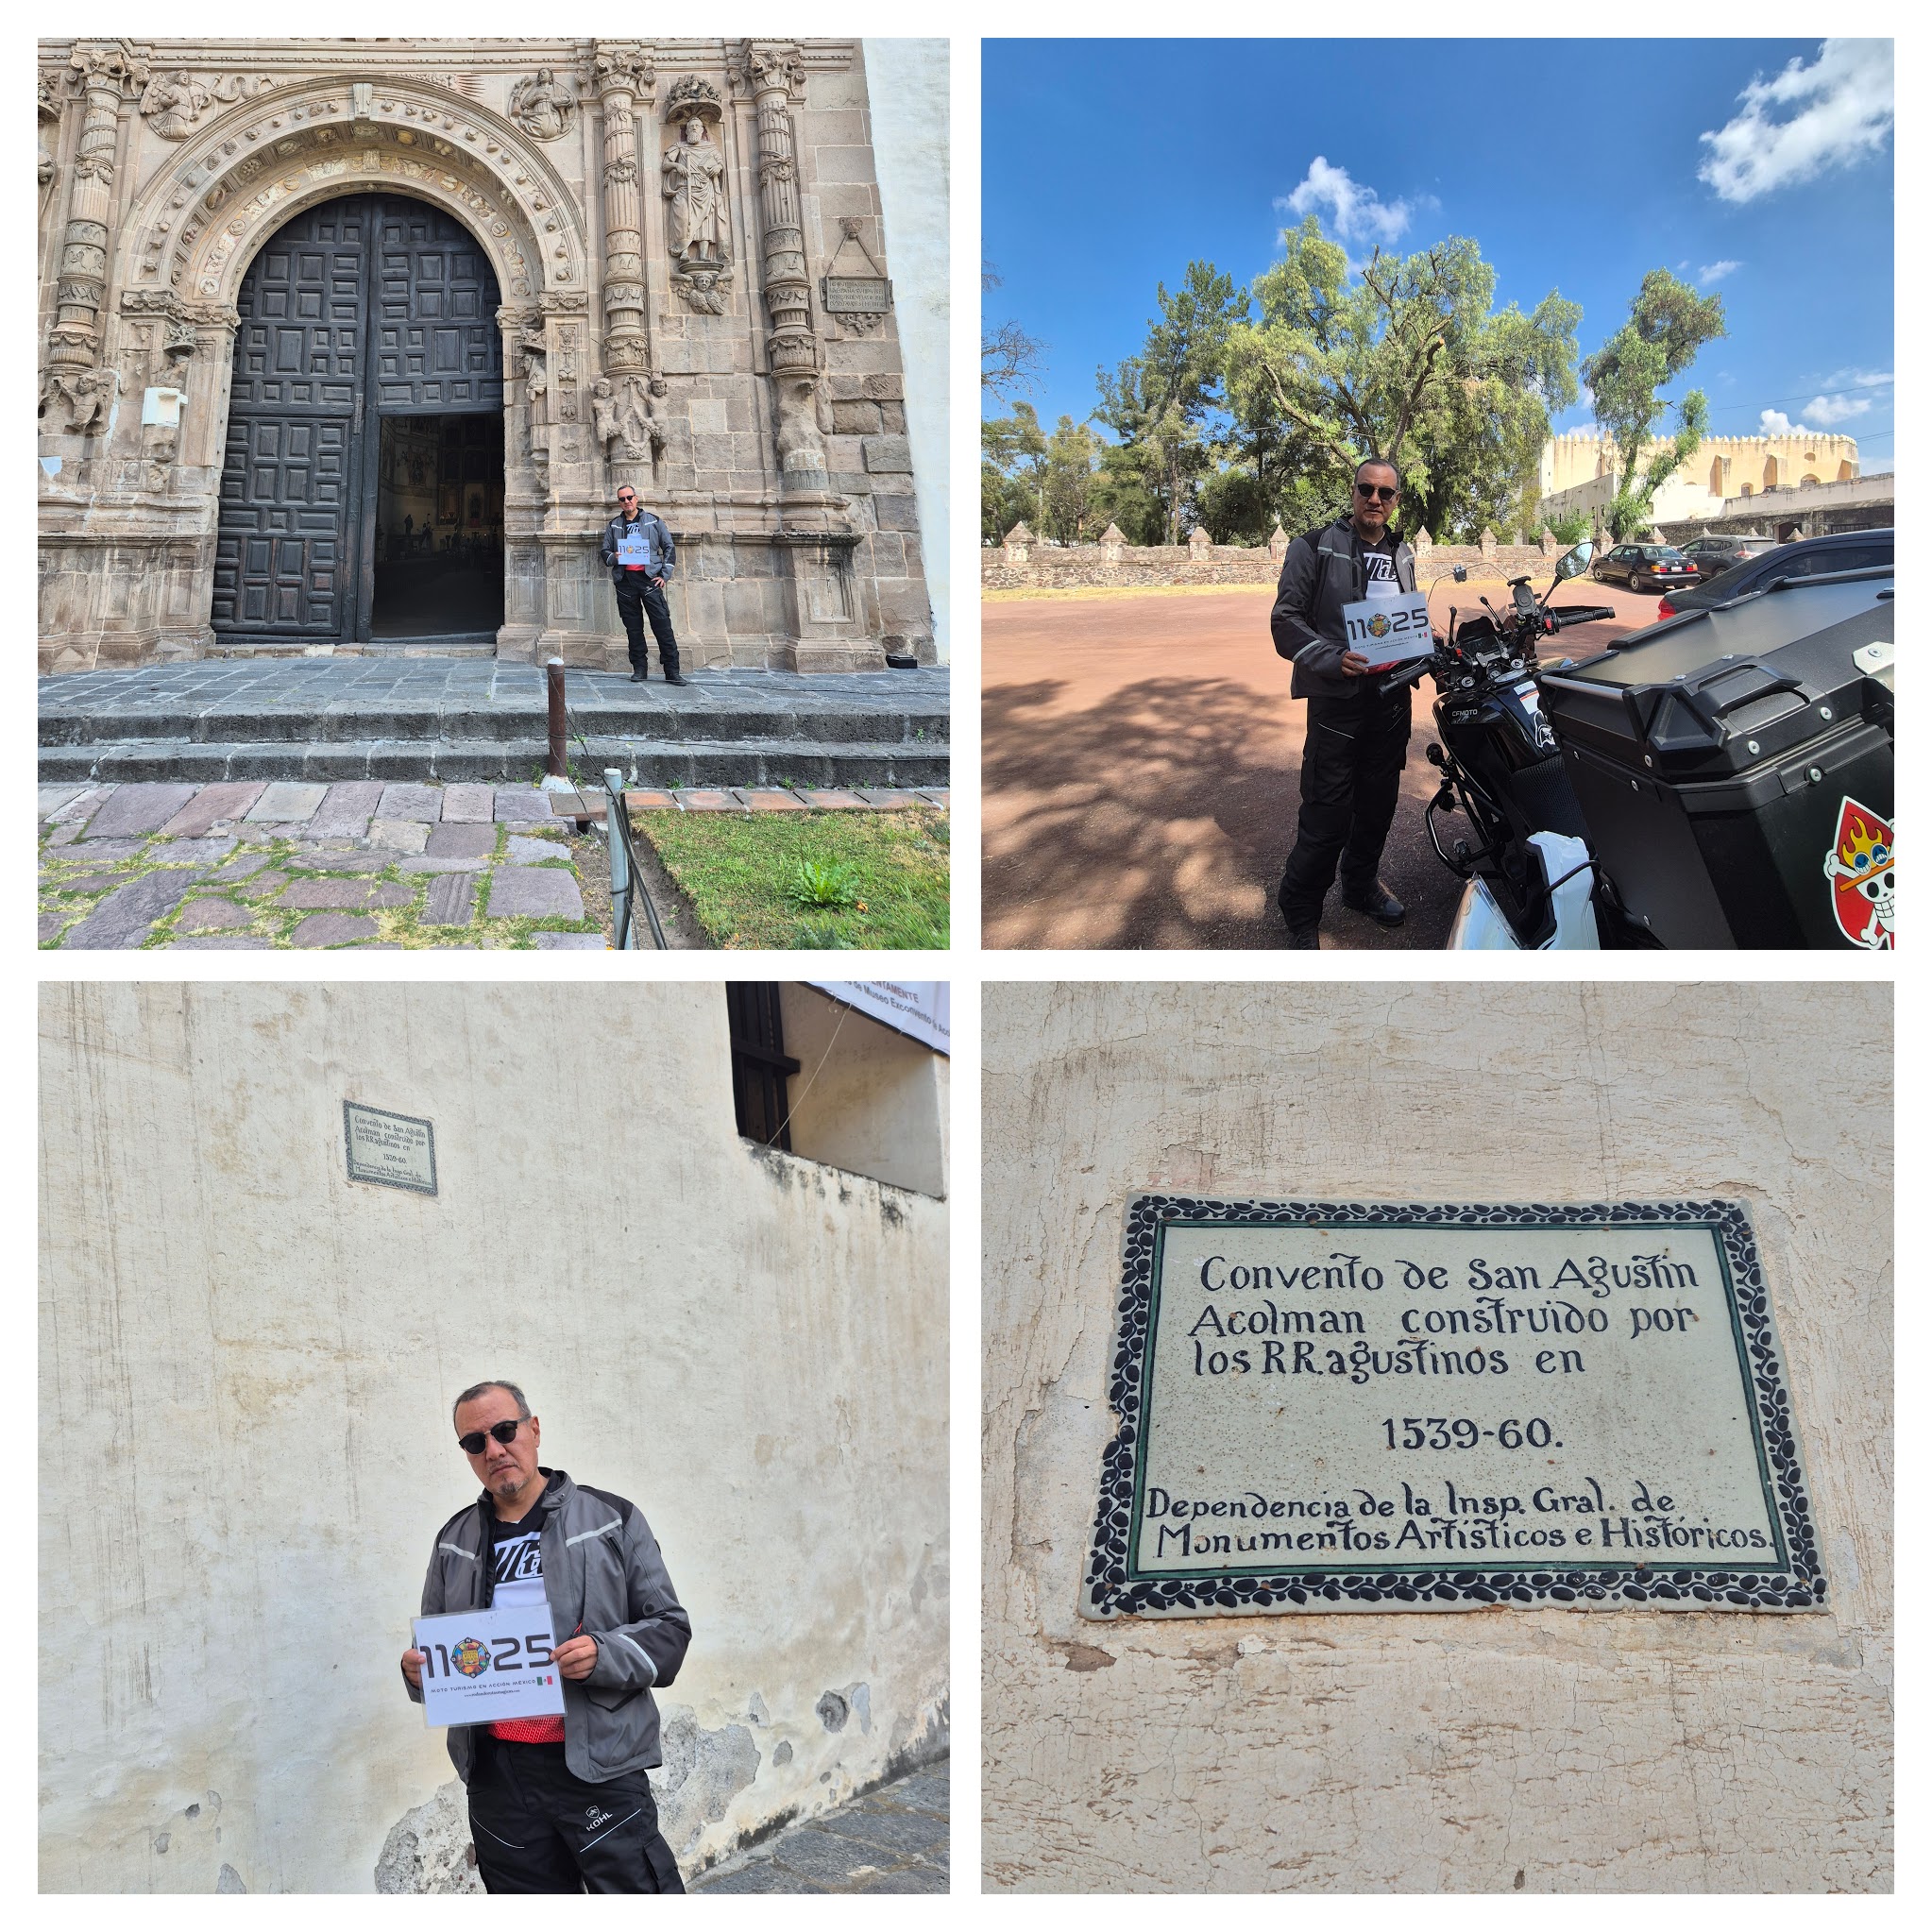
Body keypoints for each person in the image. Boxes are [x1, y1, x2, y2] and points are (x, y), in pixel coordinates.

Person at [399, 1380, 690, 1892]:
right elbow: (440, 1651)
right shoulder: (454, 1540)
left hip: (597, 1764)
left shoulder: (610, 1519)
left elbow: (670, 1630)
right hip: (497, 1775)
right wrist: (420, 1674)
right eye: (475, 1442)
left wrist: (604, 1653)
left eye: (505, 1431)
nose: (494, 1449)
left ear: (533, 1430)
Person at [1268, 455, 1419, 948]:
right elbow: (1285, 621)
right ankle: (1301, 911)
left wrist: (1425, 636)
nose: (1375, 499)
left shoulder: (1404, 552)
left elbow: (1400, 617)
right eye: (1366, 490)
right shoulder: (1313, 547)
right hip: (1338, 702)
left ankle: (1359, 887)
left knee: (1377, 807)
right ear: (1353, 492)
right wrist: (1332, 659)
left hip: (1392, 701)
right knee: (1327, 813)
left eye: (1385, 493)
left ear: (1396, 501)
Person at [599, 486, 686, 685]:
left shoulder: (653, 521)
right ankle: (640, 669)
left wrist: (665, 575)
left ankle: (672, 671)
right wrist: (614, 556)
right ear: (619, 503)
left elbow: (669, 547)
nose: (626, 501)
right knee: (633, 628)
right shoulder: (614, 525)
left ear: (636, 499)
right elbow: (604, 551)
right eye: (622, 499)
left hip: (649, 579)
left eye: (630, 497)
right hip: (625, 581)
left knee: (662, 625)